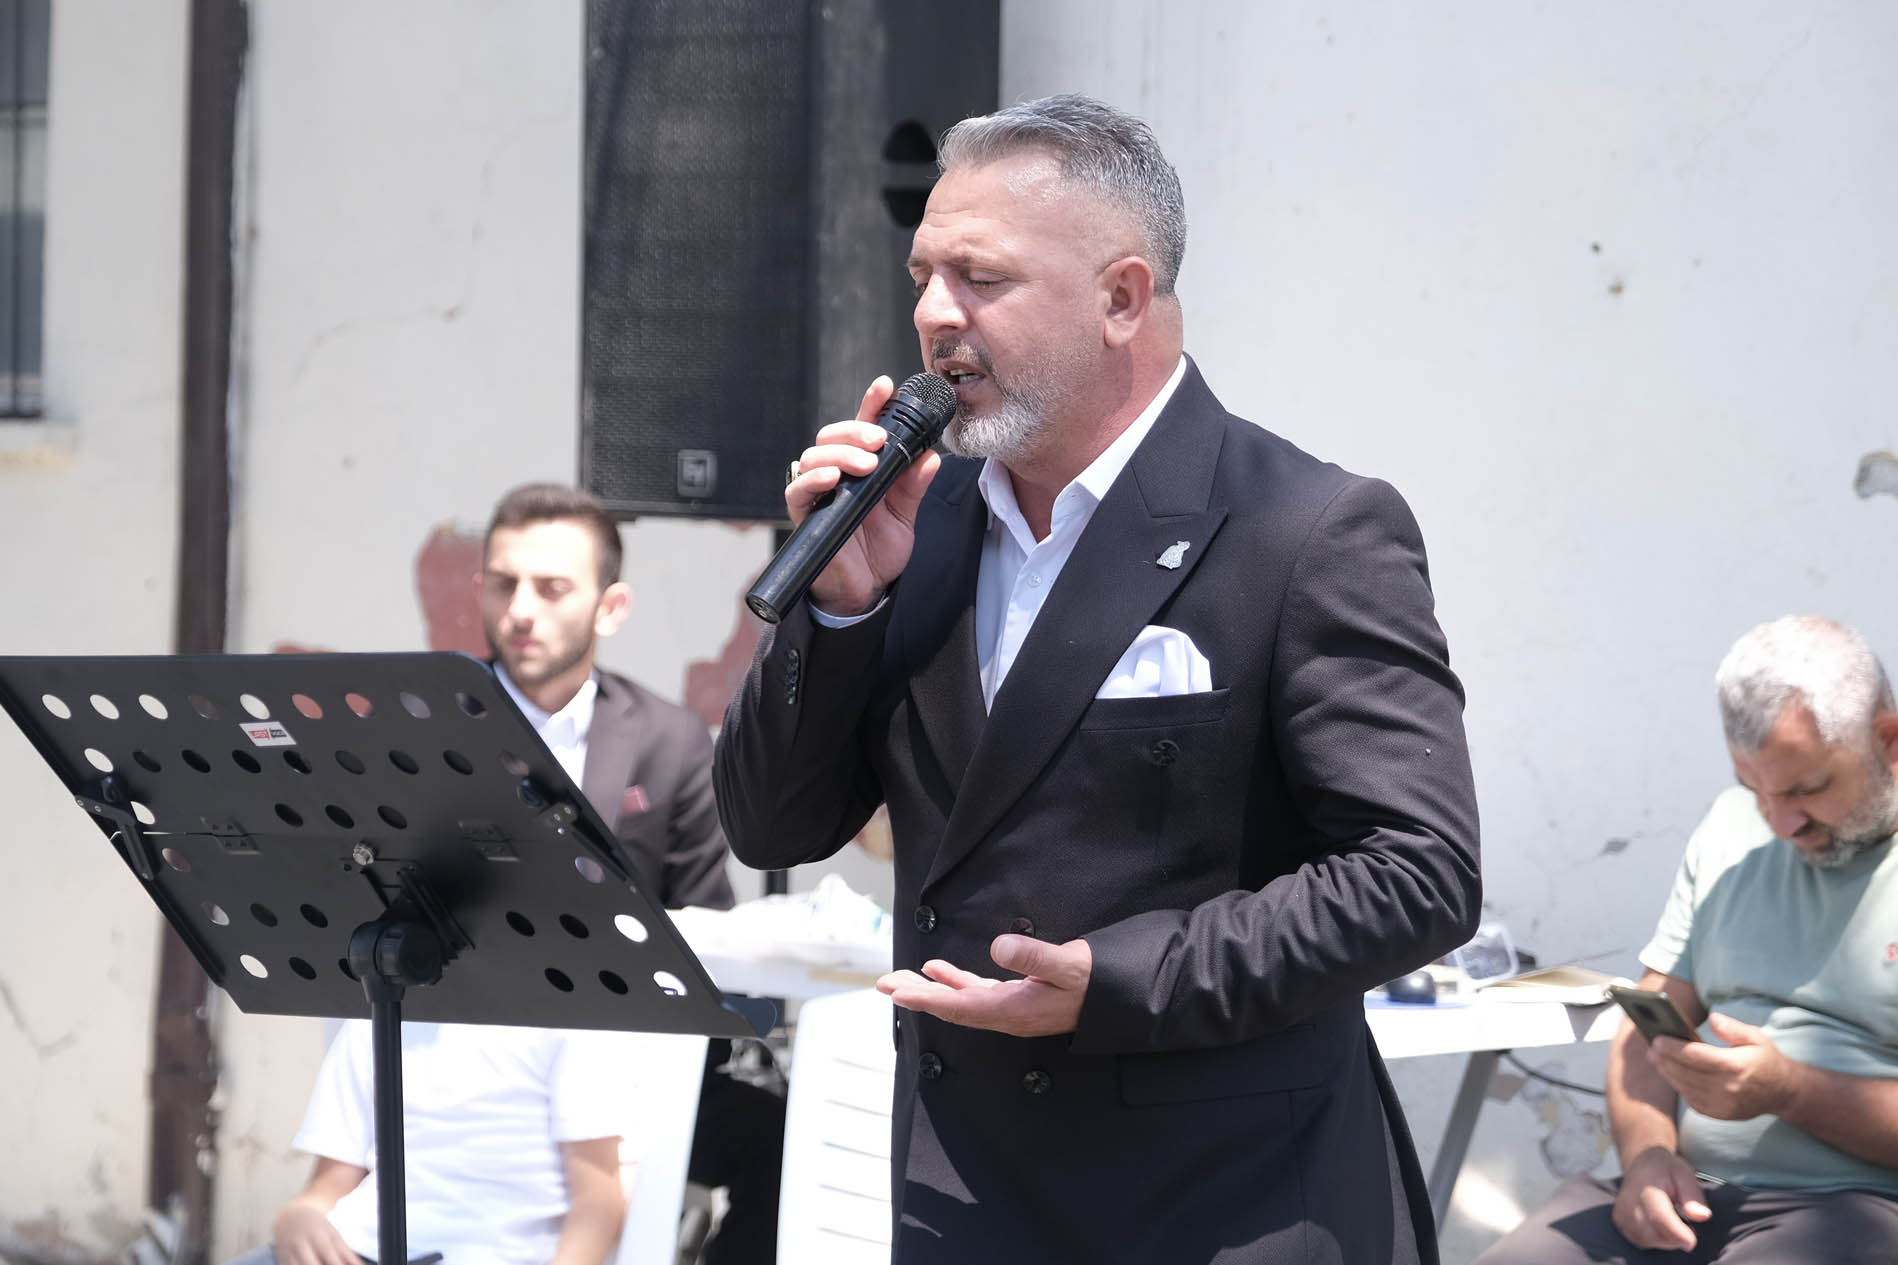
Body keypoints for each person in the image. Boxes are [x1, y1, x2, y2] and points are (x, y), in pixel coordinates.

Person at [714, 94, 1481, 1263]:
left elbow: (1415, 873)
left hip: (1222, 1204)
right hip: (962, 1194)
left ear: (1120, 297)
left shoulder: (1303, 527)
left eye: (980, 277)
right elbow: (772, 823)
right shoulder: (916, 521)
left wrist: (1115, 979)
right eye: (923, 275)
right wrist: (840, 606)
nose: (932, 314)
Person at [1474, 615, 1898, 1264]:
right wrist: (1648, 1156)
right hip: (1689, 1196)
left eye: (1807, 789)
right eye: (1753, 789)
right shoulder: (1730, 829)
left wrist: (1789, 1090)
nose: (1779, 823)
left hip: (1856, 1209)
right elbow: (1645, 1035)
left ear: (1888, 740)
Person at [476, 483, 782, 1265]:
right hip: (468, 1053)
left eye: (551, 588)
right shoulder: (429, 716)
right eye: (505, 583)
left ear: (611, 607)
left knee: (775, 1137)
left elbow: (703, 925)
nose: (521, 610)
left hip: (625, 1060)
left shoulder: (670, 738)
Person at [247, 1021, 643, 1265]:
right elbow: (327, 1187)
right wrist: (296, 1217)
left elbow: (599, 1202)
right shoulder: (371, 1015)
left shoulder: (568, 1022)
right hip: (351, 1249)